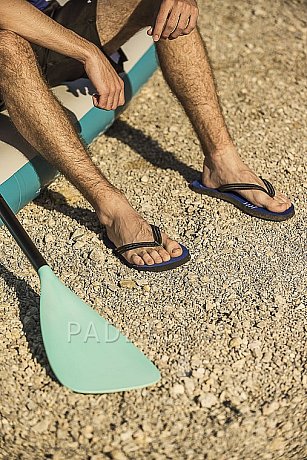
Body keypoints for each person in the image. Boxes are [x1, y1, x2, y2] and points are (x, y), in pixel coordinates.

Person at [0, 0, 293, 271]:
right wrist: (88, 52)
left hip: (43, 20)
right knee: (8, 46)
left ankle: (222, 162)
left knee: (166, 6)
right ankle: (112, 209)